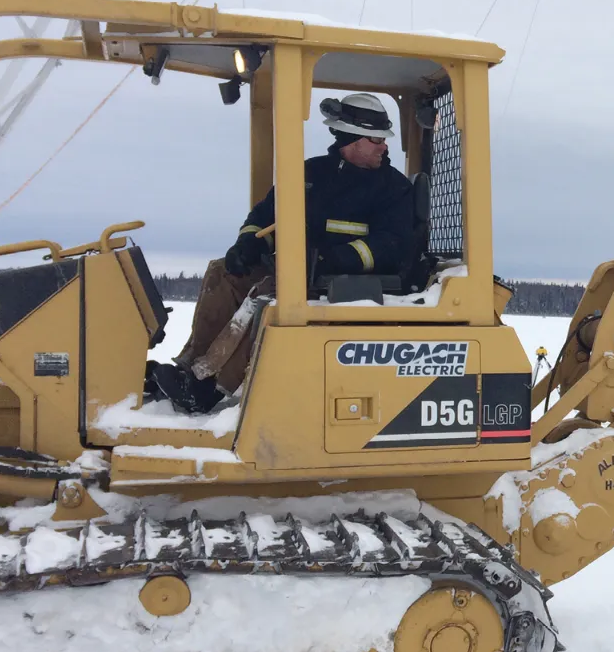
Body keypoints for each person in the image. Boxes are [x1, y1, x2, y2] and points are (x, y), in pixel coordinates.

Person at [150, 93, 415, 414]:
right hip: (298, 273)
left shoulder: (393, 189)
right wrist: (249, 243)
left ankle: (209, 386)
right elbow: (265, 218)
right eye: (376, 139)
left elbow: (392, 245)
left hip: (347, 285)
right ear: (350, 138)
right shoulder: (309, 176)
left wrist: (331, 261)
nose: (383, 146)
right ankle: (189, 367)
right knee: (223, 271)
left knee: (268, 295)